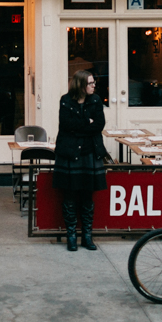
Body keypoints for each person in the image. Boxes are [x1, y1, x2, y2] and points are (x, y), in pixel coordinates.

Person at [54, 69, 107, 252]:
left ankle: (87, 236)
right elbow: (66, 125)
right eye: (90, 83)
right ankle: (71, 237)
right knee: (69, 195)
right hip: (70, 153)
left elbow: (99, 125)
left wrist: (83, 126)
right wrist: (88, 123)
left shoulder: (96, 100)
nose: (94, 86)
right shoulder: (66, 100)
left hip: (90, 152)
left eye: (93, 83)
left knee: (87, 195)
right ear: (81, 85)